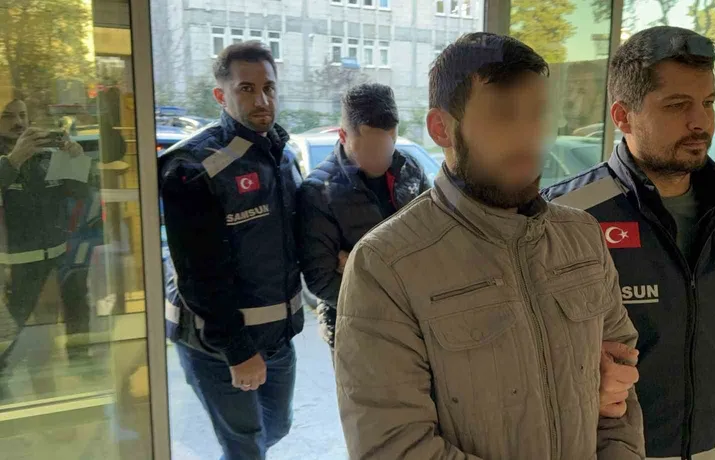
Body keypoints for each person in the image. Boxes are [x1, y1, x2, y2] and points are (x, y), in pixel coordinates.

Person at [334, 32, 645, 460]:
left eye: (538, 114)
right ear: (442, 128)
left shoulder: (582, 236)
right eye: (503, 114)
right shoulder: (386, 264)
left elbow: (621, 389)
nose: (528, 135)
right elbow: (393, 447)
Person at [542, 26, 715, 460]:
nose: (700, 122)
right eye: (676, 105)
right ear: (622, 116)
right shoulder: (567, 214)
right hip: (608, 449)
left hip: (713, 447)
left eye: (707, 102)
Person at [158, 41, 304, 460]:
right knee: (246, 447)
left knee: (277, 426)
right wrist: (238, 352)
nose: (262, 100)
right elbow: (198, 275)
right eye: (247, 89)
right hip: (217, 343)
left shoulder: (280, 154)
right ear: (221, 95)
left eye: (269, 88)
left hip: (277, 337)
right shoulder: (193, 167)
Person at [298, 83, 431, 351]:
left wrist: (360, 267)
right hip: (356, 331)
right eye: (370, 149)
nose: (382, 158)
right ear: (343, 135)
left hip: (416, 323)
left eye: (389, 145)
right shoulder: (319, 191)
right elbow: (322, 281)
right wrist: (395, 300)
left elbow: (432, 237)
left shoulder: (410, 168)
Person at [0, 96, 91, 395]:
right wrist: (13, 160)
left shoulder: (44, 155)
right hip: (13, 265)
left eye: (22, 115)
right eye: (8, 116)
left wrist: (75, 159)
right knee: (9, 333)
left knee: (49, 332)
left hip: (56, 257)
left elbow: (80, 193)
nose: (18, 123)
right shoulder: (12, 157)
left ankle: (52, 391)